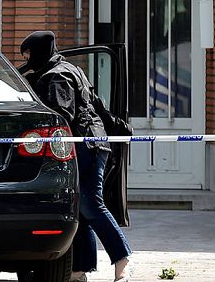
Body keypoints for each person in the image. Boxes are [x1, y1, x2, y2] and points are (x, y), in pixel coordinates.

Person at [19, 31, 132, 282]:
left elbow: (61, 116)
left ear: (39, 52)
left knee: (91, 204)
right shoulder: (69, 69)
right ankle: (79, 271)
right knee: (79, 207)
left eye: (29, 55)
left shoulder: (57, 76)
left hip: (85, 144)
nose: (27, 60)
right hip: (92, 141)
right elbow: (95, 105)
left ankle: (122, 259)